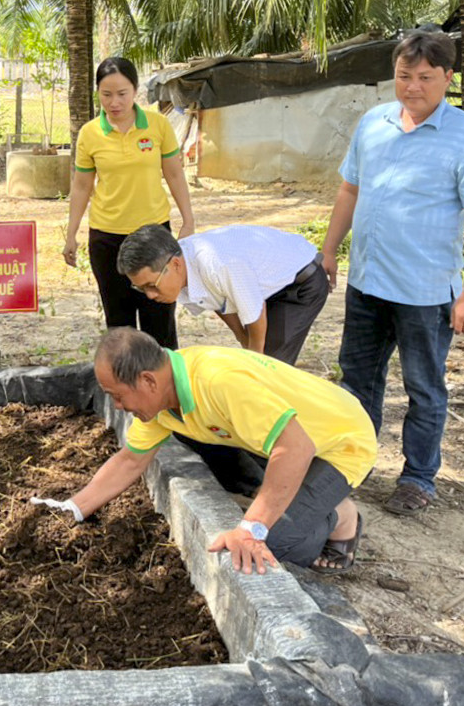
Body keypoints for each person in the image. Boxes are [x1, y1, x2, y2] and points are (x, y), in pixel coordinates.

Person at [321, 31, 464, 517]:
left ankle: (418, 477)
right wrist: (328, 253)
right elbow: (349, 191)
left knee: (424, 388)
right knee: (358, 380)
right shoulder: (373, 123)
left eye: (426, 77)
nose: (412, 87)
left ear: (448, 77)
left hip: (425, 292)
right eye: (404, 76)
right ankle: (351, 465)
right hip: (367, 283)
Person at [32, 328, 376, 575]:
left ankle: (340, 516)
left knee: (271, 546)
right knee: (264, 509)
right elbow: (130, 460)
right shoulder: (162, 400)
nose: (118, 406)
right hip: (287, 437)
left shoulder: (217, 381)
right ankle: (295, 497)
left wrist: (252, 528)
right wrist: (72, 509)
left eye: (118, 396)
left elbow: (296, 447)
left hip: (339, 443)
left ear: (148, 381)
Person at [63, 57, 195, 346]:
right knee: (119, 324)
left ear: (135, 90)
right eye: (106, 94)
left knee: (159, 320)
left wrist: (188, 220)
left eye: (122, 93)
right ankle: (125, 387)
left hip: (154, 237)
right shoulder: (89, 133)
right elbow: (83, 185)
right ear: (97, 92)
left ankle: (166, 386)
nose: (114, 102)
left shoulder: (158, 126)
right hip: (107, 239)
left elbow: (173, 173)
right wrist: (71, 234)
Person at [117, 224, 327, 365]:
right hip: (266, 288)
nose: (150, 295)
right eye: (141, 289)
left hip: (299, 284)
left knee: (269, 366)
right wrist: (242, 339)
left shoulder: (217, 263)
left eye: (151, 285)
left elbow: (255, 310)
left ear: (175, 264)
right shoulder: (184, 267)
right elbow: (218, 301)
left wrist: (254, 356)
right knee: (256, 360)